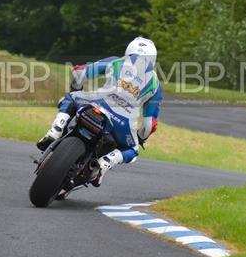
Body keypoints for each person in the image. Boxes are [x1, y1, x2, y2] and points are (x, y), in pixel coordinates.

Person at [36, 37, 163, 187]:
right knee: (132, 150)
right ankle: (104, 164)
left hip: (96, 103)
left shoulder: (116, 62)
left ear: (129, 50)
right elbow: (149, 125)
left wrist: (77, 90)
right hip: (123, 122)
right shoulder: (155, 85)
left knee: (70, 97)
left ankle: (55, 130)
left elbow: (80, 73)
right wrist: (141, 138)